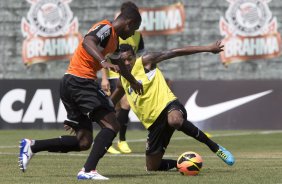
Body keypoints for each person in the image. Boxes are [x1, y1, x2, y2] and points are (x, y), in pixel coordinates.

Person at [18, 2, 143, 180]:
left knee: (83, 141)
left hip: (72, 83)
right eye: (134, 29)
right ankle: (87, 170)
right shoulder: (106, 28)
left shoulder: (114, 41)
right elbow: (88, 41)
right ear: (128, 23)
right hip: (80, 82)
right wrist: (103, 62)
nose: (133, 34)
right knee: (112, 124)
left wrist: (133, 82)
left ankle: (32, 146)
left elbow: (121, 65)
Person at [110, 42, 235, 171]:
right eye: (123, 60)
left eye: (129, 59)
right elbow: (111, 102)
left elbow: (176, 51)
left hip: (168, 105)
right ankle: (184, 164)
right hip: (153, 124)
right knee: (152, 167)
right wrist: (96, 111)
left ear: (134, 56)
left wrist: (208, 48)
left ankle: (215, 147)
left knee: (175, 120)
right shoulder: (122, 81)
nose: (126, 63)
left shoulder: (145, 62)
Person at [101, 1, 145, 154]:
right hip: (113, 74)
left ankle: (122, 140)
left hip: (128, 75)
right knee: (115, 108)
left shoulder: (137, 35)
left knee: (126, 105)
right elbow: (104, 56)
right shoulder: (113, 32)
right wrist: (104, 78)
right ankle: (108, 140)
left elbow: (138, 56)